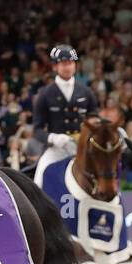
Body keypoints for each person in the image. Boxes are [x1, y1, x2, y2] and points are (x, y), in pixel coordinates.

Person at [30, 45, 98, 184]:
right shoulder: (45, 94)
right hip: (57, 149)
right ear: (55, 66)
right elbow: (37, 130)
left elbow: (94, 120)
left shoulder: (86, 92)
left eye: (70, 63)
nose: (67, 67)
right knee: (39, 177)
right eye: (63, 63)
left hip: (82, 147)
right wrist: (52, 137)